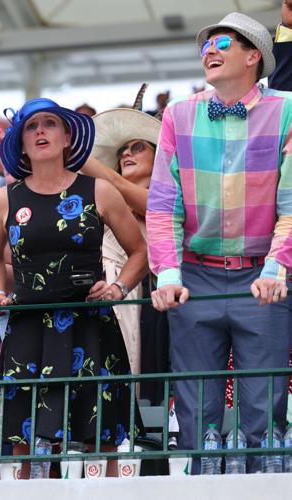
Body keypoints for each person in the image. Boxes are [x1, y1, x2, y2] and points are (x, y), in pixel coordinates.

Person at [147, 12, 292, 473]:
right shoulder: (177, 114)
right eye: (206, 44)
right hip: (194, 276)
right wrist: (168, 274)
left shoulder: (288, 109)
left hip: (260, 275)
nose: (210, 49)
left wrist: (276, 267)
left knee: (264, 405)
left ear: (255, 56)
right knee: (195, 410)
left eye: (223, 42)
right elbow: (162, 204)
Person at [0, 98, 146, 470]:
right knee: (27, 446)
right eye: (31, 127)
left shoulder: (99, 190)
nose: (40, 132)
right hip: (28, 325)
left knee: (100, 438)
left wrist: (118, 289)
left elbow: (140, 251)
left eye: (49, 123)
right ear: (20, 144)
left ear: (67, 136)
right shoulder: (3, 199)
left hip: (90, 324)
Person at [80, 85, 170, 403]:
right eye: (121, 152)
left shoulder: (170, 196)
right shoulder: (104, 202)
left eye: (136, 147)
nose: (126, 154)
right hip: (110, 303)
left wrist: (73, 149)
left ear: (159, 153)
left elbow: (127, 190)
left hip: (160, 311)